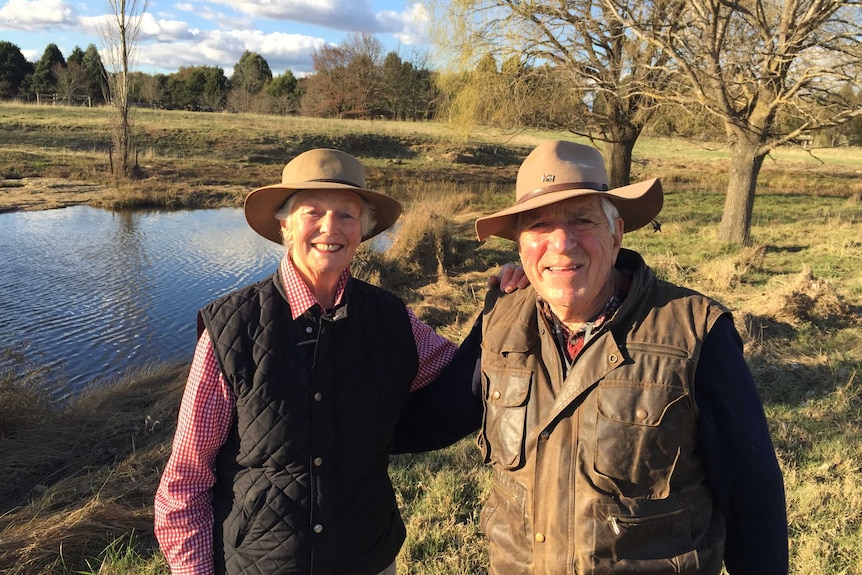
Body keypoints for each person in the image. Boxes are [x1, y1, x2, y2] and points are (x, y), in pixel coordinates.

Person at [153, 148, 519, 575]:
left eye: (347, 215)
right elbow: (185, 484)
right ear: (286, 226)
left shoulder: (390, 317)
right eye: (313, 213)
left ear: (362, 232)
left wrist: (504, 309)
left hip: (368, 560)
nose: (331, 228)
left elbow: (462, 383)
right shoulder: (232, 328)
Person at [461, 140, 788, 574]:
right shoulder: (500, 318)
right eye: (539, 225)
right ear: (520, 246)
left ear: (616, 234)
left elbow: (753, 493)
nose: (561, 243)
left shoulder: (696, 332)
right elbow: (430, 415)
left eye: (582, 220)